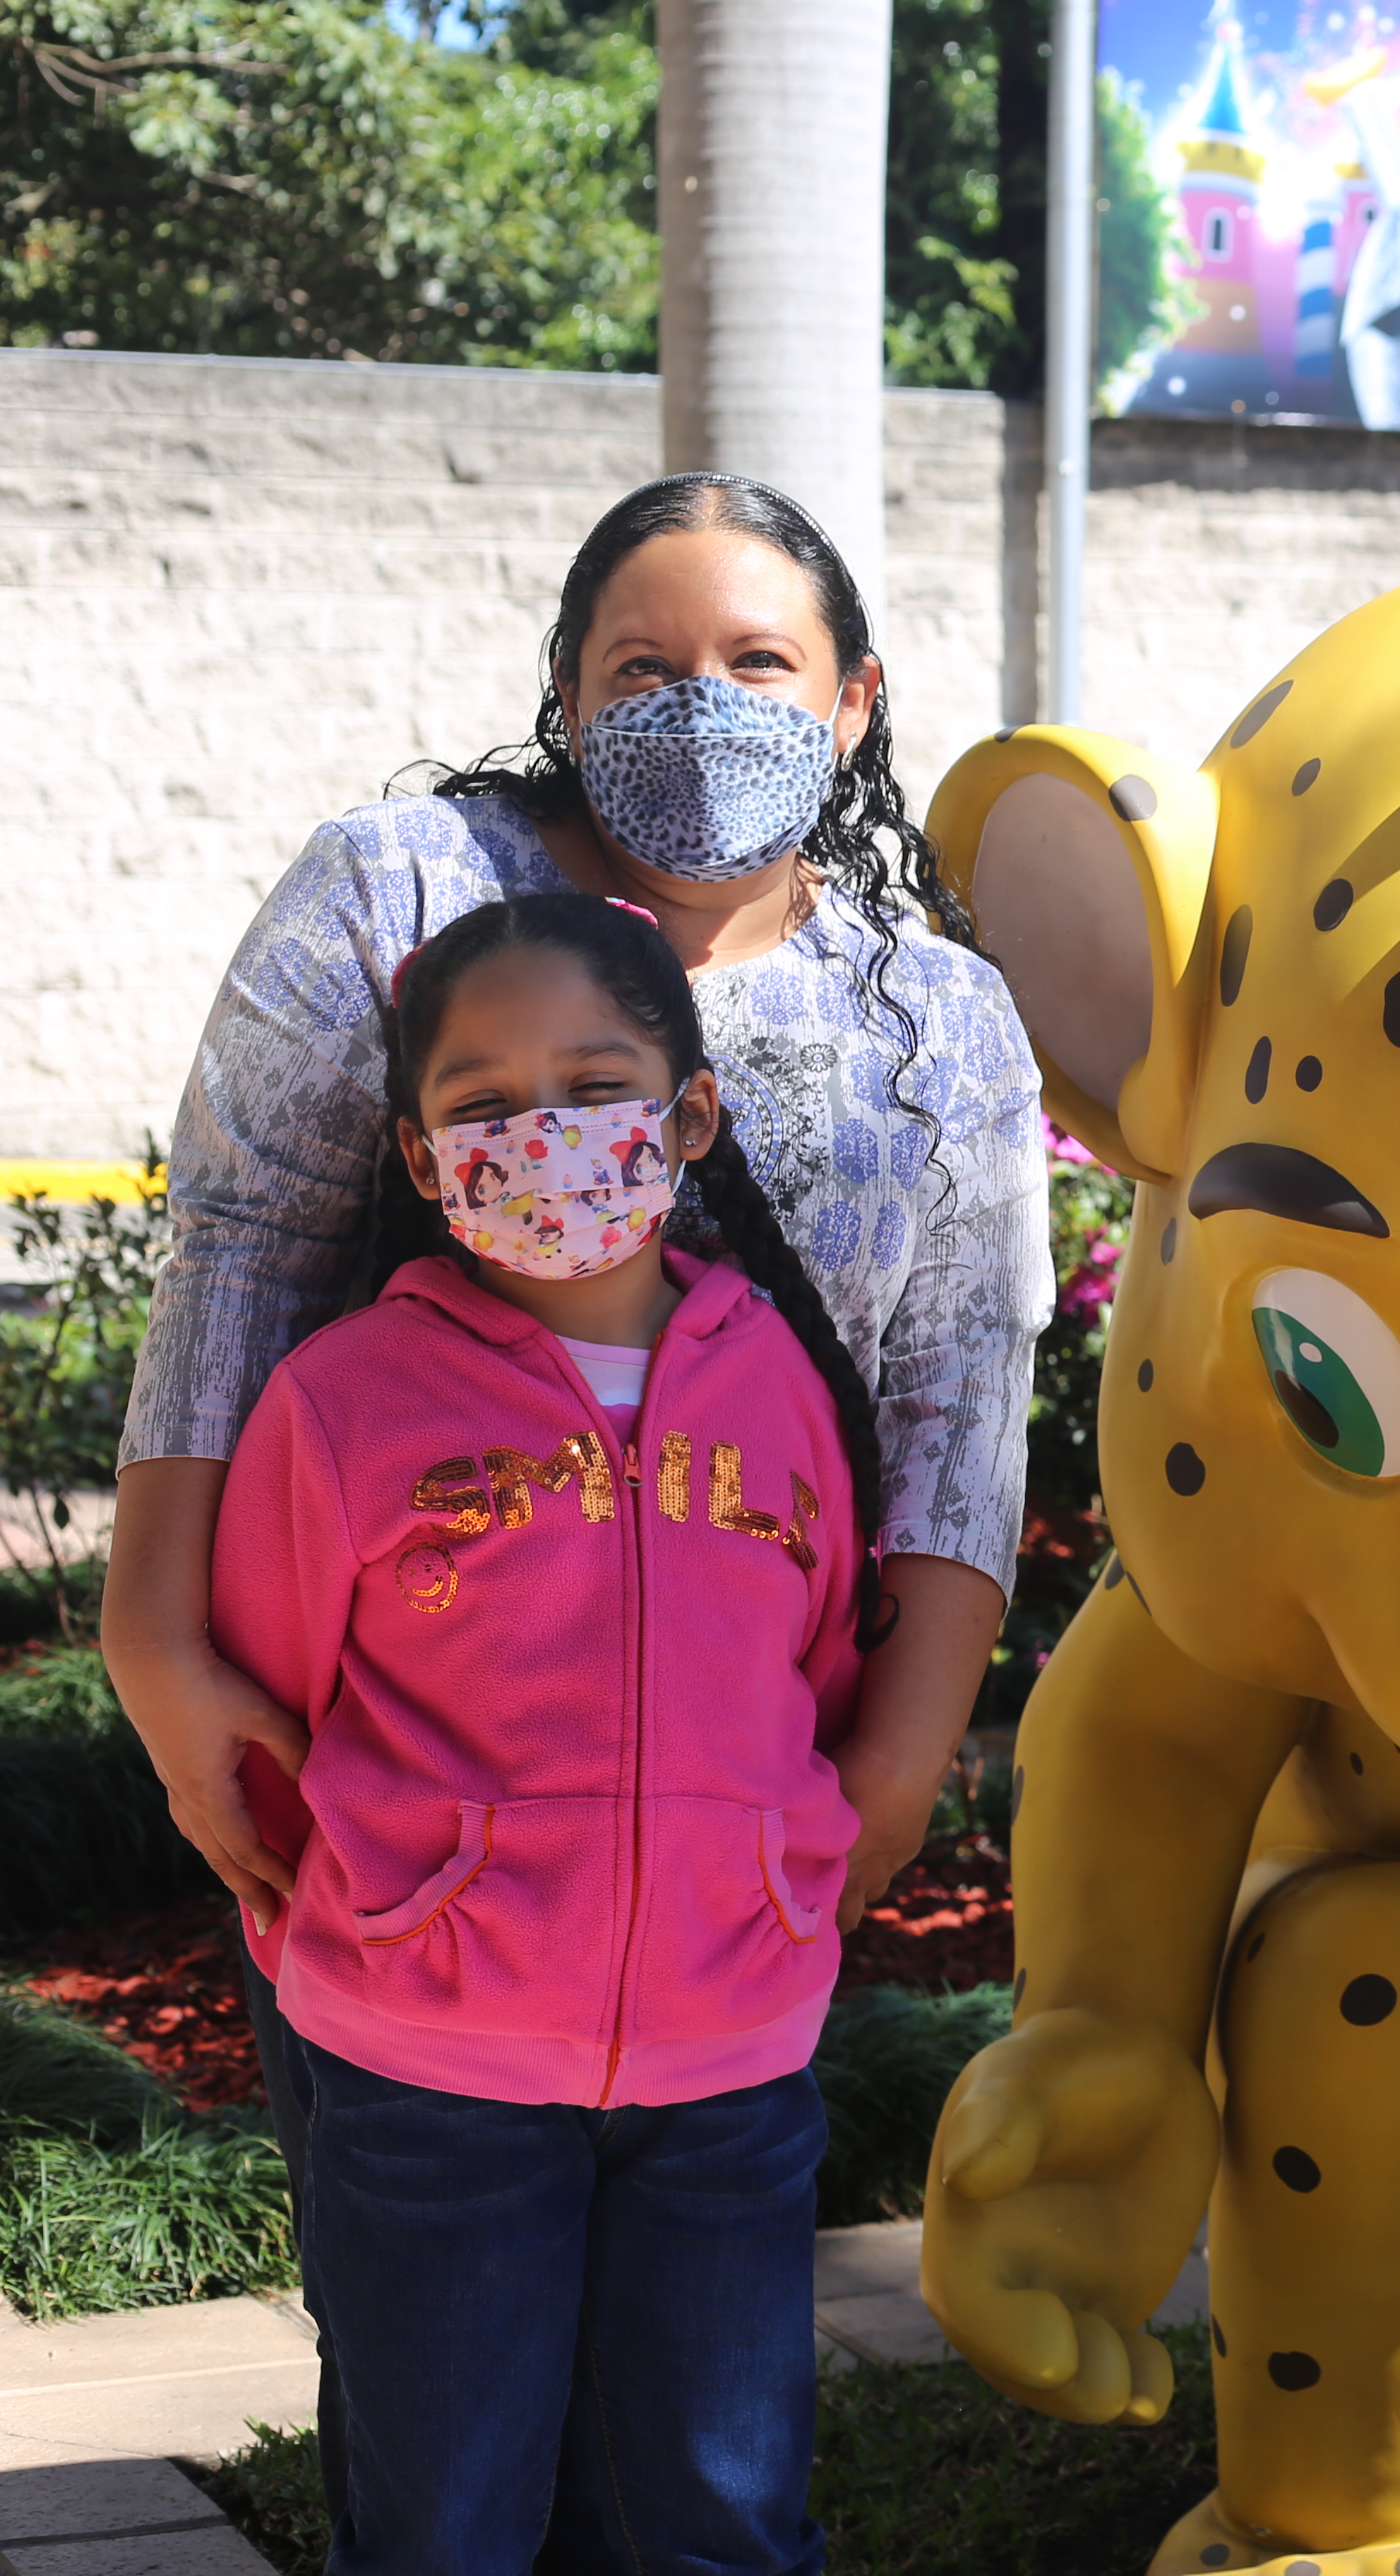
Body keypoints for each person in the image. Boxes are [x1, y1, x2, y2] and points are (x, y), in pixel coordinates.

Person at [95, 473, 1046, 2515]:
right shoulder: (396, 886)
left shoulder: (938, 1014)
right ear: (564, 691)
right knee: (445, 2441)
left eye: (759, 662)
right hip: (420, 1790)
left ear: (856, 701)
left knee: (702, 2474)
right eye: (644, 665)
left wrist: (900, 1751)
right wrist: (155, 1639)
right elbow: (244, 1244)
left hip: (733, 1838)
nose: (702, 702)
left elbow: (964, 1386)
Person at [222, 893, 911, 2565]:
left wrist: (771, 1868)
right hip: (430, 2070)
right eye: (483, 1106)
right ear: (419, 1148)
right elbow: (276, 1692)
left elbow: (812, 1670)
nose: (543, 1137)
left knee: (720, 2521)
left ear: (686, 1115)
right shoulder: (345, 1404)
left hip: (728, 2065)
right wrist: (404, 1906)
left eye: (594, 1083)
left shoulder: (782, 1389)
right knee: (444, 2524)